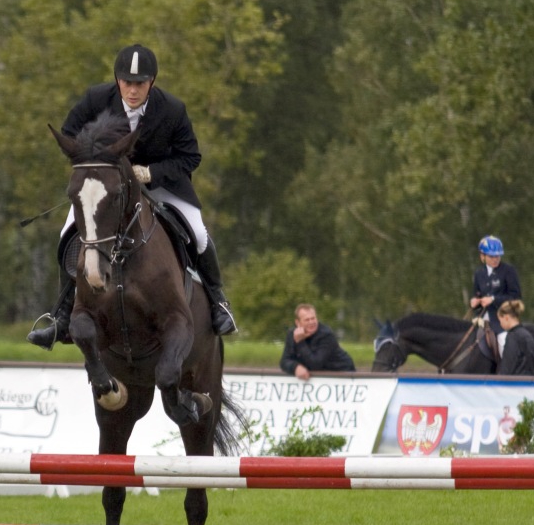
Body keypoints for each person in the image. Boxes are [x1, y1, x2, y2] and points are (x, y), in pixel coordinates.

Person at [27, 43, 237, 350]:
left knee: (199, 234)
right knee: (68, 233)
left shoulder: (172, 109)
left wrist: (150, 173)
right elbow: (70, 133)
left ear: (151, 81)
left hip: (160, 185)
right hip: (107, 185)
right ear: (117, 79)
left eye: (140, 83)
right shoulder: (96, 99)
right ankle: (61, 315)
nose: (133, 90)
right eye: (127, 82)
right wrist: (96, 162)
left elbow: (190, 156)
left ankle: (219, 302)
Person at [279, 304, 355, 379]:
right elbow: (284, 361)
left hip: (342, 373)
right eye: (307, 320)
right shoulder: (292, 334)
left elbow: (315, 365)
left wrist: (300, 342)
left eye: (313, 318)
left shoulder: (326, 335)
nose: (311, 322)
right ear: (298, 323)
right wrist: (295, 367)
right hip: (321, 377)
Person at [468, 235, 522, 338]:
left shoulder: (508, 271)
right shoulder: (479, 273)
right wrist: (475, 302)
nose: (495, 259)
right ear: (482, 256)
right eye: (491, 257)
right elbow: (477, 294)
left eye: (497, 256)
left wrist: (493, 299)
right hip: (481, 319)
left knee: (502, 341)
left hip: (503, 320)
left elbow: (516, 297)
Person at [496, 300, 534, 375]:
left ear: (506, 318)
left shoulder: (513, 337)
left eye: (500, 320)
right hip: (530, 383)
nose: (500, 324)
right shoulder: (527, 335)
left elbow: (507, 367)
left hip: (516, 384)